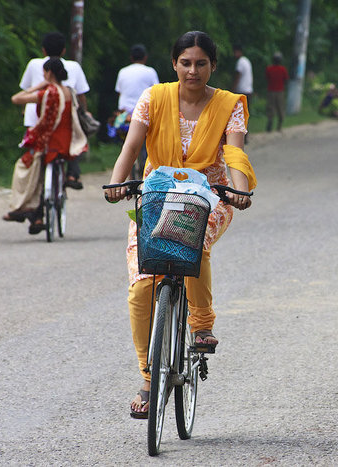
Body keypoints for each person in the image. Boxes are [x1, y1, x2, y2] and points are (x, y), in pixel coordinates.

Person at [104, 31, 257, 419]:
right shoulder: (153, 98)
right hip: (157, 194)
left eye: (201, 63)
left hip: (210, 194)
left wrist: (238, 190)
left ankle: (201, 325)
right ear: (174, 64)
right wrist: (117, 182)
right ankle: (147, 376)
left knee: (191, 243)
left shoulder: (229, 104)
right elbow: (132, 147)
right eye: (185, 62)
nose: (193, 70)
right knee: (141, 289)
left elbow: (234, 151)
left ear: (213, 66)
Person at [4, 58, 87, 233]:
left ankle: (25, 206)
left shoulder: (48, 93)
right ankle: (68, 178)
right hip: (66, 143)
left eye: (44, 72)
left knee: (24, 167)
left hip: (48, 143)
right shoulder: (69, 92)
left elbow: (16, 99)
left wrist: (38, 85)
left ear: (49, 73)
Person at [19, 32, 91, 190]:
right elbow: (80, 96)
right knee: (73, 138)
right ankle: (72, 173)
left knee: (35, 158)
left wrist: (25, 109)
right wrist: (84, 112)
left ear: (43, 50)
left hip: (35, 120)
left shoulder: (33, 64)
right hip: (62, 120)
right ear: (64, 51)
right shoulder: (74, 66)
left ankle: (33, 198)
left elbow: (25, 91)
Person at [113, 44, 159, 167]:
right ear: (145, 57)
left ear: (131, 58)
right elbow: (156, 93)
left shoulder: (123, 71)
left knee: (125, 142)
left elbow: (119, 92)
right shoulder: (150, 71)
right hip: (145, 113)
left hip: (125, 114)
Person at [232, 43, 253, 141]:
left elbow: (237, 76)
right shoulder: (246, 61)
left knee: (239, 114)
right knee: (245, 114)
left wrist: (233, 90)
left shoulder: (240, 62)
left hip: (242, 91)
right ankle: (245, 136)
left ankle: (242, 136)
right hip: (248, 90)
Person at [264, 51, 289, 132]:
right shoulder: (283, 69)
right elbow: (286, 80)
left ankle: (270, 124)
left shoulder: (269, 68)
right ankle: (279, 126)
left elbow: (267, 78)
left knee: (271, 108)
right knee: (280, 108)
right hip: (280, 91)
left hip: (271, 91)